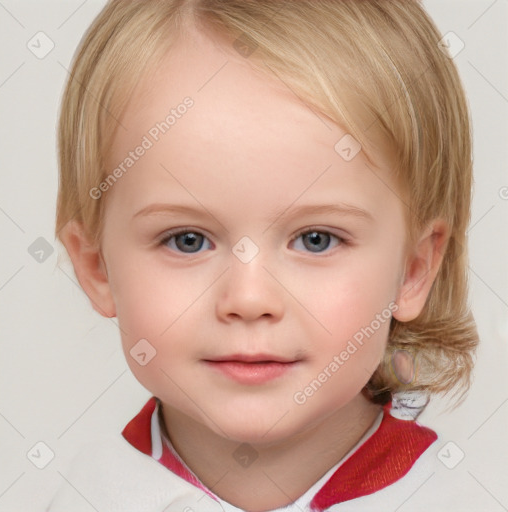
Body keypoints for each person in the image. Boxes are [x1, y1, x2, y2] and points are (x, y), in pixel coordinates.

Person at [48, 1, 479, 510]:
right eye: (187, 240)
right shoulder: (89, 496)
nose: (249, 299)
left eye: (316, 239)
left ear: (413, 270)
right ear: (97, 266)